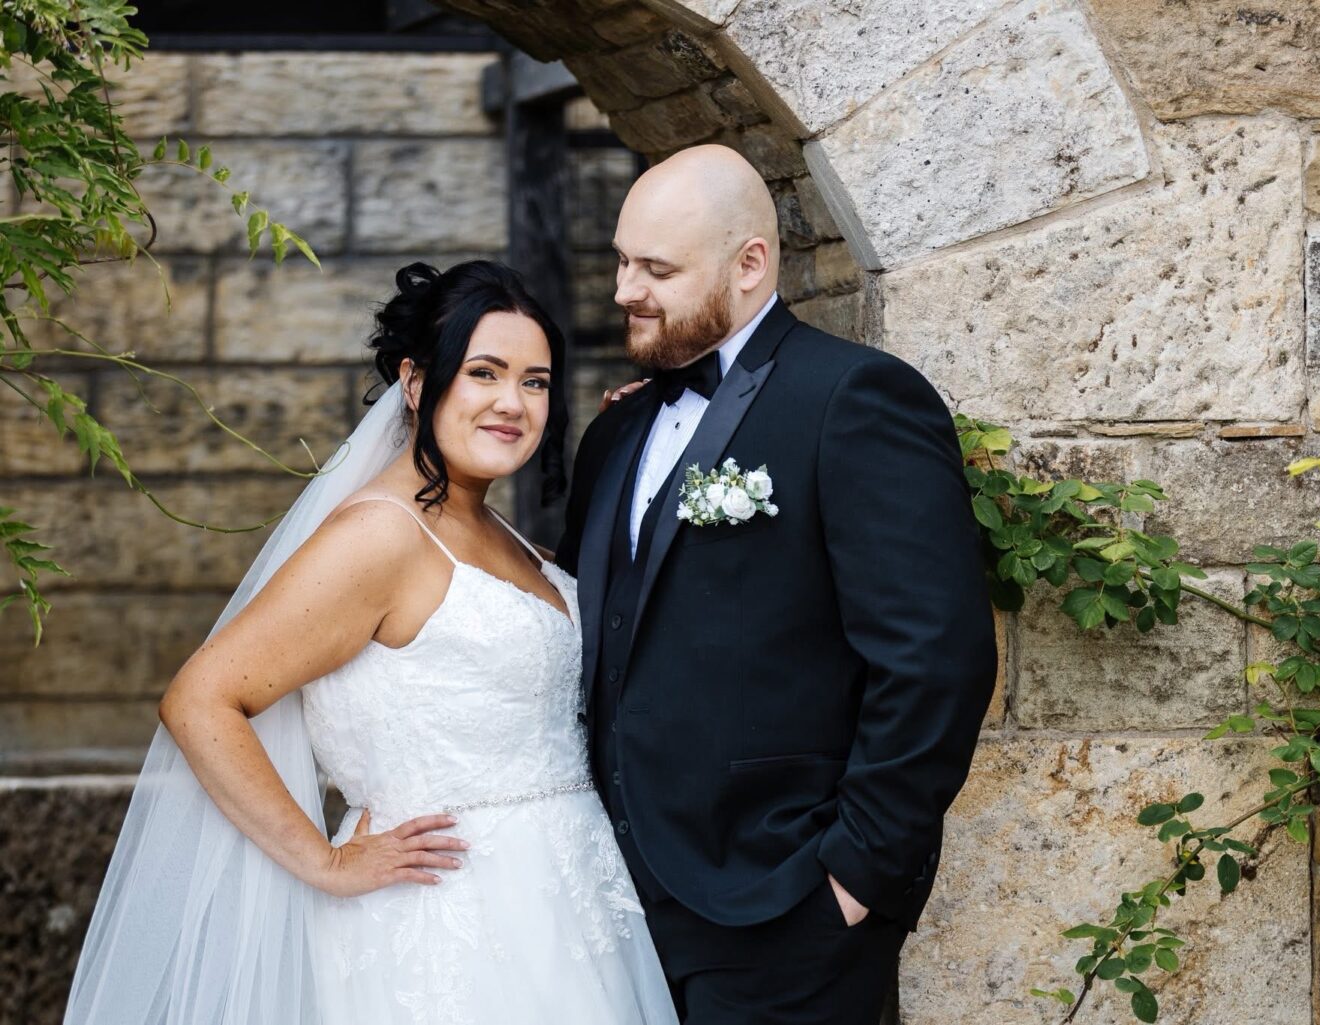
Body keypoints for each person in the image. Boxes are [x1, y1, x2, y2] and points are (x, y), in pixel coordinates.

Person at [64, 261, 678, 1025]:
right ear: (417, 382)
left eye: (536, 381)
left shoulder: (495, 530)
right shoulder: (380, 535)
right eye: (483, 373)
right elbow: (200, 699)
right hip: (447, 925)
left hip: (571, 906)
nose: (511, 404)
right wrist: (323, 861)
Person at [556, 145, 997, 1025]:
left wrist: (854, 876)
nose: (623, 290)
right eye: (620, 261)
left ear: (751, 264)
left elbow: (935, 658)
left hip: (780, 907)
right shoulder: (615, 432)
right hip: (604, 906)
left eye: (655, 268)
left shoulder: (856, 400)